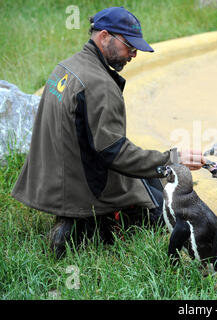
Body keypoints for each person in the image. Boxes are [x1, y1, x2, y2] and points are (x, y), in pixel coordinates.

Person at [11, 7, 205, 258]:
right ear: (104, 37)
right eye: (129, 47)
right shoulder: (99, 84)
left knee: (151, 176)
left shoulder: (66, 67)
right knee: (162, 209)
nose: (133, 54)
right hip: (78, 186)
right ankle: (80, 228)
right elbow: (114, 153)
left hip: (49, 179)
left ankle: (76, 219)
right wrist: (173, 159)